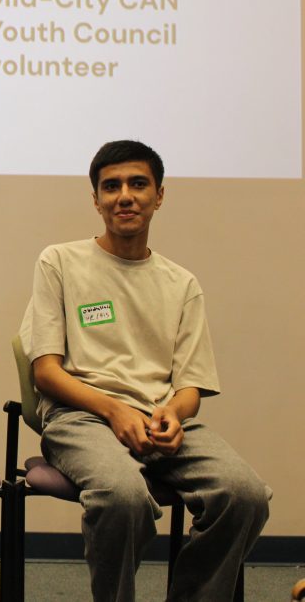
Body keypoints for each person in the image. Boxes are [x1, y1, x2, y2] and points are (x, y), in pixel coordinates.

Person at [20, 140, 271, 602]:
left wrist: (174, 414)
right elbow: (47, 374)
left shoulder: (182, 283)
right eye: (110, 186)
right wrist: (114, 411)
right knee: (122, 497)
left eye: (138, 184)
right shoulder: (60, 261)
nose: (125, 196)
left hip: (158, 418)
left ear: (159, 195)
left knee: (245, 495)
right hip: (82, 417)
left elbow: (190, 386)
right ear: (95, 200)